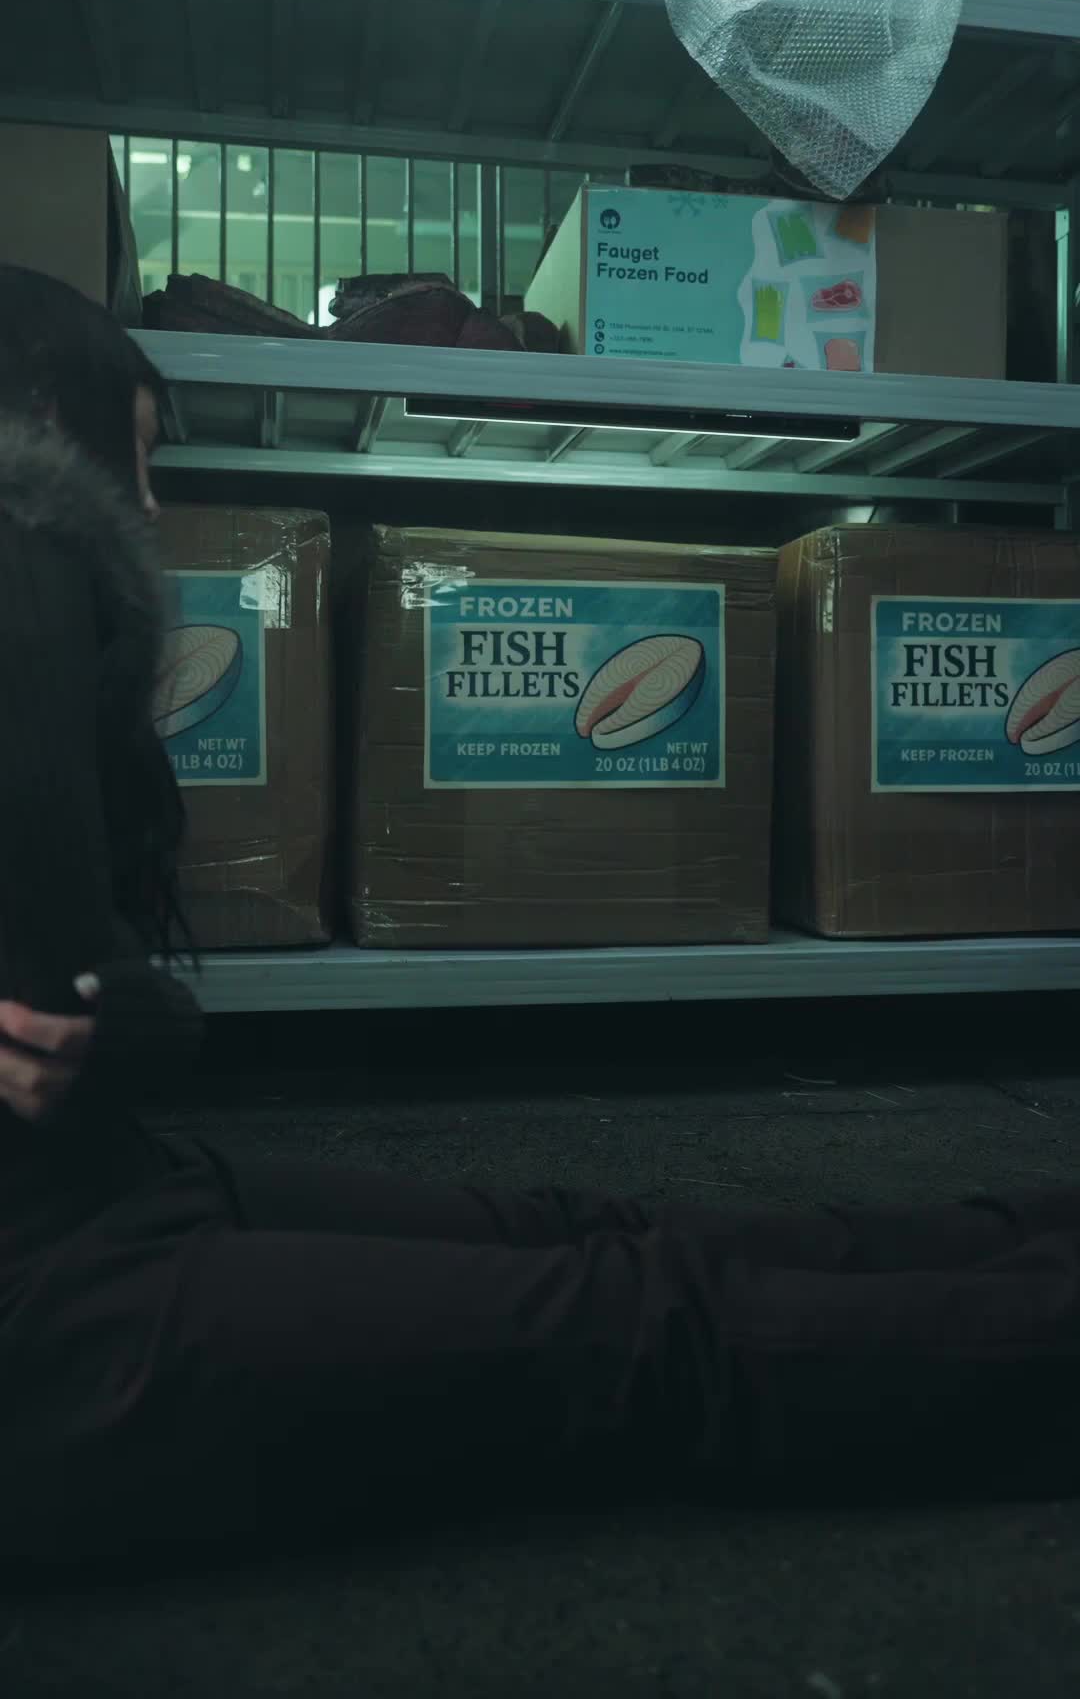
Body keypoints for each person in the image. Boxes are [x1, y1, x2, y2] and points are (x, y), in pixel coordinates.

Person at [1, 265, 1079, 1575]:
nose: (151, 509)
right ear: (46, 431)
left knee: (586, 1227)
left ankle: (1034, 1237)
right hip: (51, 1325)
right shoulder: (30, 571)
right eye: (132, 461)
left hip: (112, 1190)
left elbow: (122, 1015)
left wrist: (106, 1020)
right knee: (632, 1326)